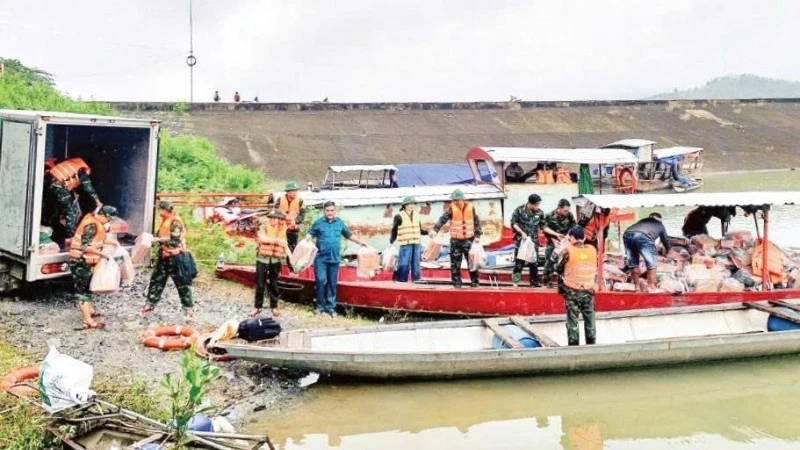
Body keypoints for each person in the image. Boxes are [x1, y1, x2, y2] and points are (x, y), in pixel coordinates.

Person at [307, 201, 368, 316]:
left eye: (332, 210)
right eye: (327, 210)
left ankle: (330, 308)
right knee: (320, 280)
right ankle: (319, 307)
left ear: (335, 211)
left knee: (332, 283)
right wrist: (307, 240)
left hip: (334, 259)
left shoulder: (339, 223)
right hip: (321, 258)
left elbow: (349, 235)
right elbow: (310, 234)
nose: (330, 213)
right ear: (324, 211)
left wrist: (361, 243)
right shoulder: (318, 223)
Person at [68, 206, 118, 330]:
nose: (108, 222)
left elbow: (95, 241)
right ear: (102, 215)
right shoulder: (91, 225)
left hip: (87, 261)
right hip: (80, 260)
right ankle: (87, 320)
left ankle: (90, 311)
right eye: (108, 219)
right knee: (82, 292)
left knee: (87, 288)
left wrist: (111, 243)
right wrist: (103, 254)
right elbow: (84, 246)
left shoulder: (95, 223)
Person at [142, 200, 194, 318]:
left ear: (165, 210)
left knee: (182, 283)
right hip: (164, 256)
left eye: (160, 209)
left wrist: (158, 240)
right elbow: (161, 235)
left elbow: (175, 242)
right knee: (156, 280)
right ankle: (150, 304)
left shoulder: (176, 223)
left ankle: (188, 309)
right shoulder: (165, 221)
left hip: (176, 258)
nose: (159, 212)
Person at [553, 226, 597, 346]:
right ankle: (591, 344)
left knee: (573, 321)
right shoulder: (592, 250)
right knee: (590, 319)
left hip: (572, 291)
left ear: (571, 238)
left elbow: (557, 267)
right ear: (583, 237)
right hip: (588, 290)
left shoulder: (568, 250)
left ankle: (573, 346)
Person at [432, 189, 483, 288]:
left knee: (472, 263)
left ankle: (475, 283)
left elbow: (476, 222)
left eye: (456, 200)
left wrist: (478, 235)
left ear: (462, 200)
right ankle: (457, 284)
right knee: (455, 264)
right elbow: (443, 219)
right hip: (456, 241)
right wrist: (435, 229)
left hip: (469, 240)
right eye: (453, 200)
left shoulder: (471, 208)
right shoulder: (451, 209)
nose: (454, 202)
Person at [45, 157, 102, 238]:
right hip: (56, 185)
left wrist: (73, 193)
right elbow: (88, 187)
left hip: (51, 182)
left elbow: (68, 178)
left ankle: (56, 230)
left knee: (60, 210)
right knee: (70, 212)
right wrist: (97, 201)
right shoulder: (82, 170)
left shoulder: (75, 163)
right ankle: (71, 237)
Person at [251, 210, 291, 318]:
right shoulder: (263, 226)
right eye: (272, 217)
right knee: (260, 283)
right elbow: (263, 239)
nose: (274, 220)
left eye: (276, 218)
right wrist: (277, 241)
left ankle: (274, 306)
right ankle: (257, 306)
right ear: (269, 218)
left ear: (279, 219)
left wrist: (291, 258)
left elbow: (285, 244)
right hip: (262, 259)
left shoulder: (283, 228)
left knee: (274, 284)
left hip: (275, 260)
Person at [510, 194, 553, 287]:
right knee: (519, 263)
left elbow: (544, 227)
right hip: (522, 241)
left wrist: (556, 234)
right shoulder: (519, 210)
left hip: (533, 242)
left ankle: (534, 283)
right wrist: (521, 232)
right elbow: (514, 223)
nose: (538, 207)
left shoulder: (540, 213)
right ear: (530, 203)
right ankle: (515, 282)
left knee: (534, 263)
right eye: (536, 205)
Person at [623, 212, 670, 292]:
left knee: (633, 263)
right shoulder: (660, 225)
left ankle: (636, 287)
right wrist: (668, 250)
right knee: (651, 263)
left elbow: (636, 233)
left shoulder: (643, 220)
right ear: (660, 220)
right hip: (644, 236)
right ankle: (651, 287)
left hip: (627, 234)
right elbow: (665, 240)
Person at [390, 196, 428, 282]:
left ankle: (416, 279)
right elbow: (394, 229)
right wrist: (391, 241)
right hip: (405, 243)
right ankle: (401, 279)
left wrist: (428, 232)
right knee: (404, 262)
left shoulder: (416, 215)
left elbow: (419, 229)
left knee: (416, 263)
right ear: (405, 205)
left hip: (416, 242)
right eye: (410, 204)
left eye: (413, 204)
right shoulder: (399, 216)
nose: (412, 206)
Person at [544, 199, 576, 284]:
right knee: (550, 261)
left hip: (565, 241)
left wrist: (568, 236)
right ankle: (547, 281)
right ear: (559, 208)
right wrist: (553, 239)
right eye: (565, 210)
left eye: (568, 210)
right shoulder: (549, 216)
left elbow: (573, 226)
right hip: (552, 241)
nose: (567, 212)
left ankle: (562, 281)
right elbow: (545, 230)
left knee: (565, 261)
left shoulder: (569, 215)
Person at [276, 181, 306, 259]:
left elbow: (302, 215)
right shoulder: (280, 199)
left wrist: (295, 221)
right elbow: (274, 212)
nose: (294, 192)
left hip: (292, 228)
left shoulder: (300, 201)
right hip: (280, 227)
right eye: (292, 191)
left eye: (295, 190)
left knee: (292, 248)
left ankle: (291, 267)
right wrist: (283, 217)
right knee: (277, 247)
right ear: (288, 192)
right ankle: (276, 266)